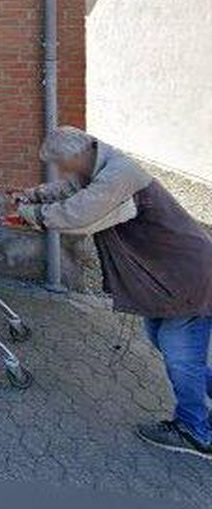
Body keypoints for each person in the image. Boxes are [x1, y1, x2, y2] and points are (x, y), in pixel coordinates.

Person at [12, 127, 212, 458]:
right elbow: (72, 188)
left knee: (180, 357)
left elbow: (80, 211)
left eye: (62, 163)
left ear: (77, 154)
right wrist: (35, 194)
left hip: (185, 276)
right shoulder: (97, 165)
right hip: (165, 277)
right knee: (166, 345)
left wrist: (31, 214)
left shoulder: (120, 173)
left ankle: (195, 431)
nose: (62, 170)